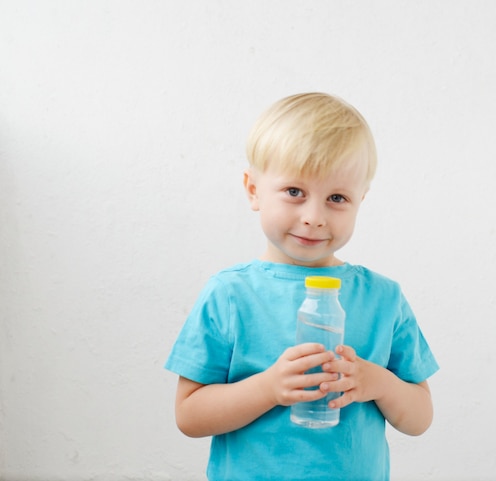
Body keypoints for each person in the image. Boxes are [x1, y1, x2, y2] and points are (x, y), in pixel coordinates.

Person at [165, 92, 439, 480]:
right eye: (295, 192)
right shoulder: (229, 295)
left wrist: (379, 383)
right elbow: (189, 415)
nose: (313, 217)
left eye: (337, 198)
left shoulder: (384, 299)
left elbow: (420, 418)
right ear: (253, 190)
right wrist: (268, 388)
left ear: (362, 198)